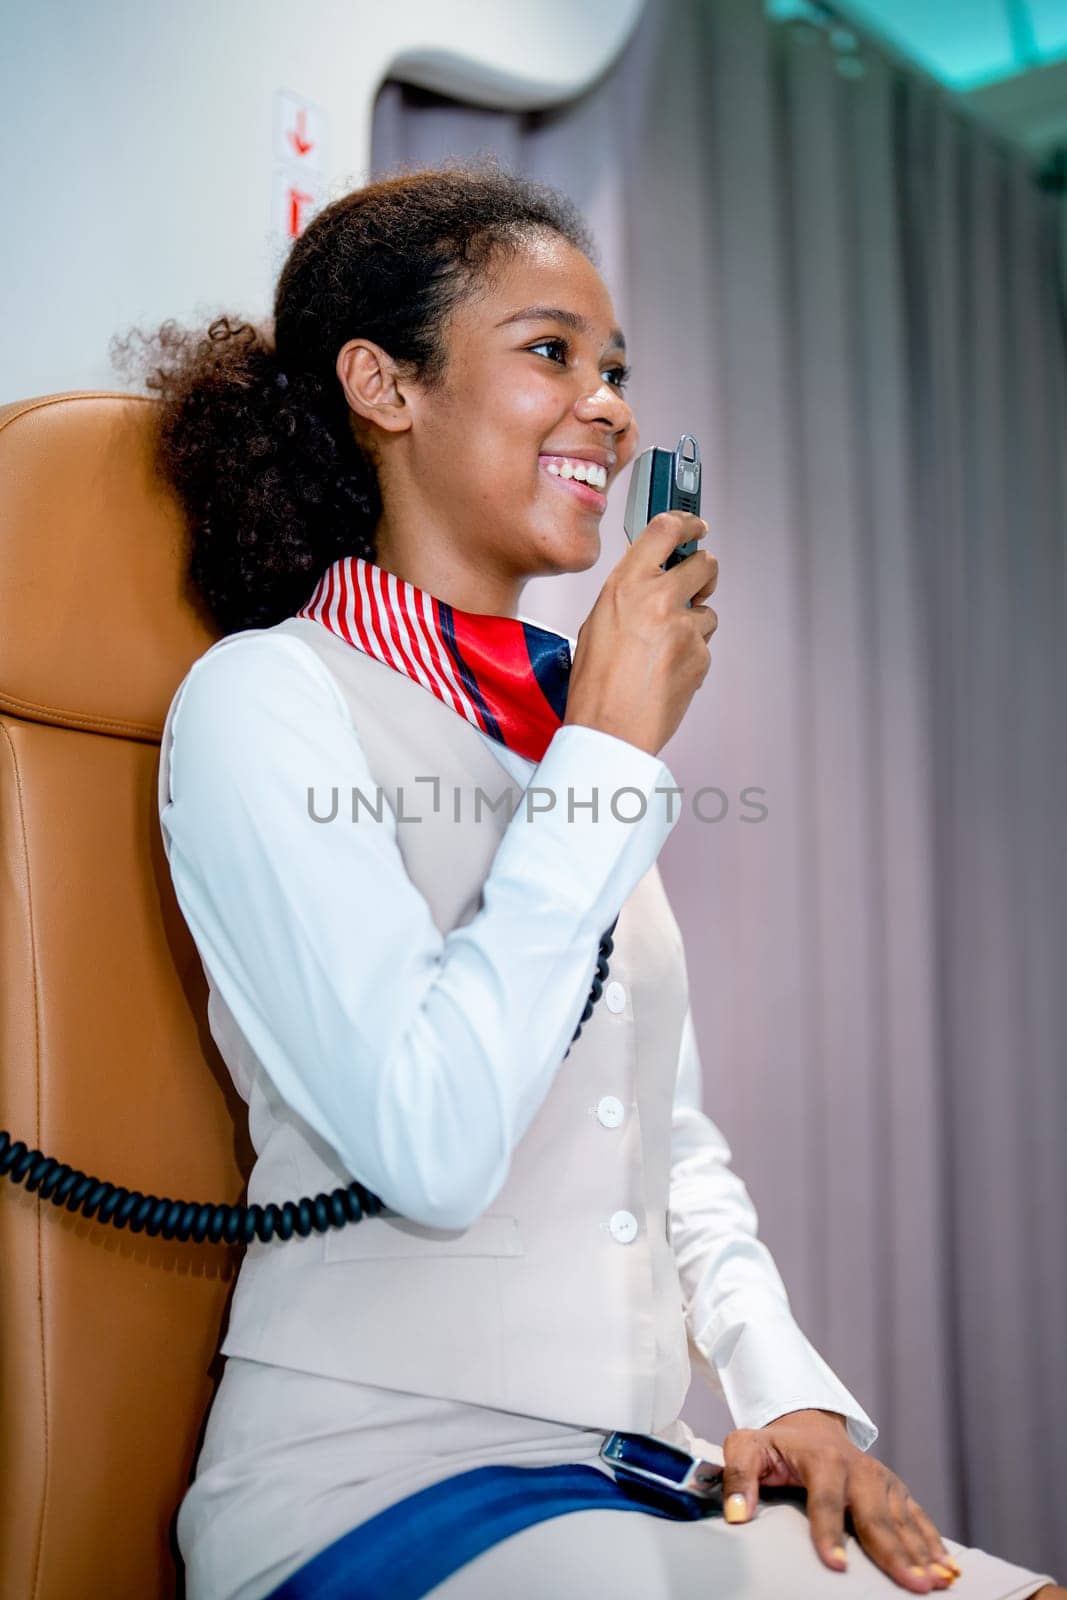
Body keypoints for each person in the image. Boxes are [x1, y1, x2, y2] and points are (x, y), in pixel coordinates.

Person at [117, 159, 1061, 1600]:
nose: (609, 407)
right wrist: (610, 756)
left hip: (620, 1461)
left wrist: (785, 1387)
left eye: (616, 369)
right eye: (549, 353)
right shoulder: (266, 701)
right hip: (373, 1486)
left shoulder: (555, 737)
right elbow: (430, 1145)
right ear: (385, 386)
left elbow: (660, 1137)